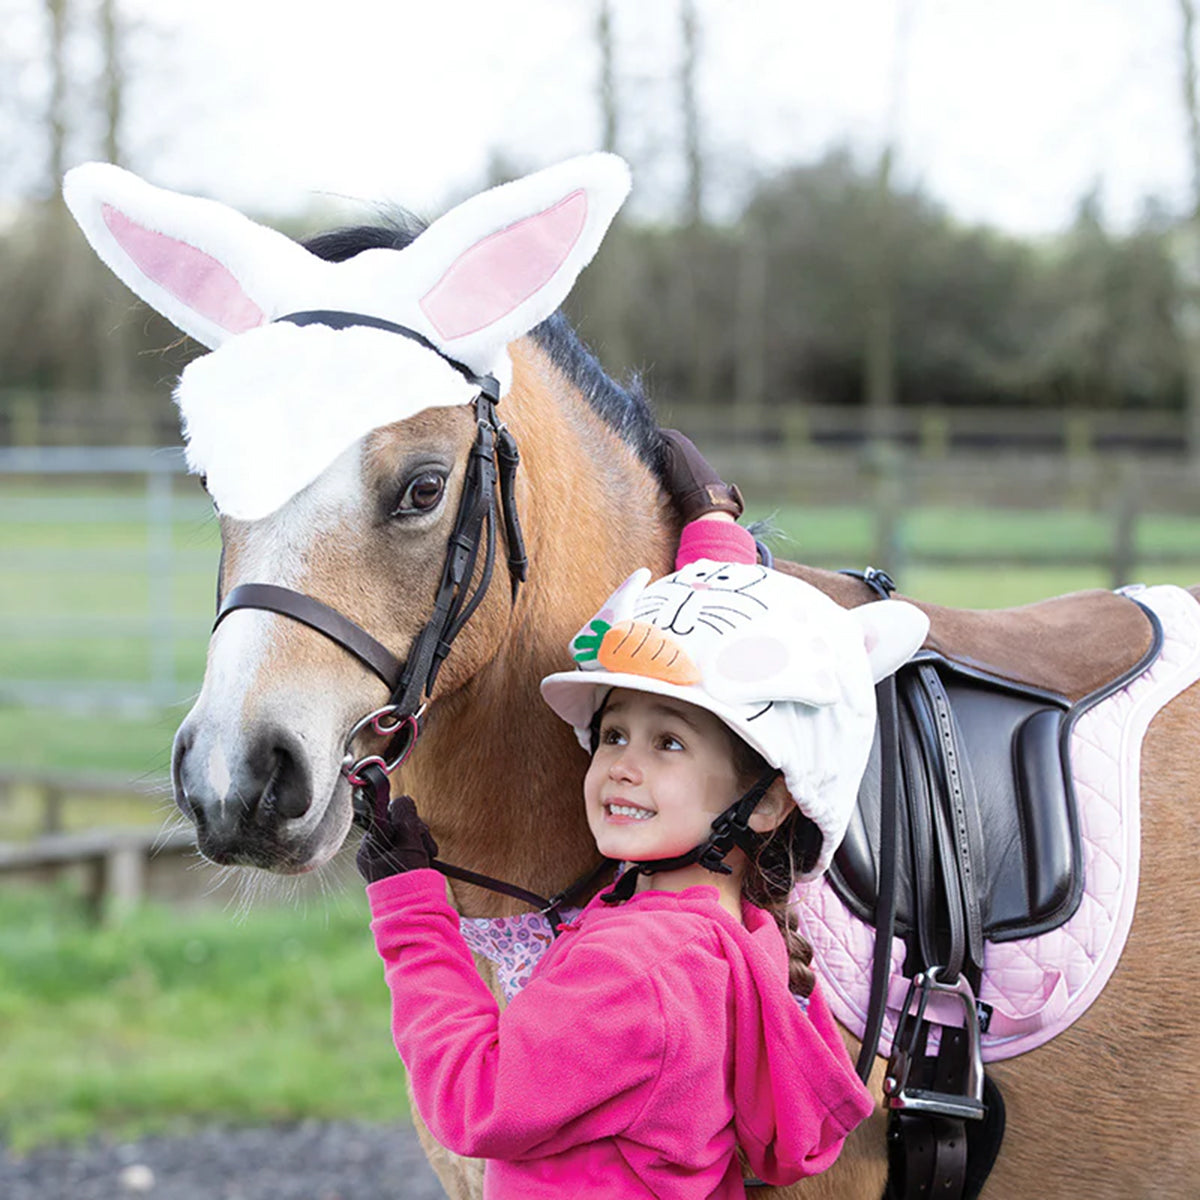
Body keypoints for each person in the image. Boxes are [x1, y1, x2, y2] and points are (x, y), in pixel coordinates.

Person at [356, 434, 929, 1198]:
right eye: (614, 735)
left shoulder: (634, 971)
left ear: (764, 802)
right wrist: (713, 535)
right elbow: (699, 674)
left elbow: (477, 1102)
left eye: (666, 744)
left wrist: (410, 914)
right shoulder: (742, 941)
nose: (622, 764)